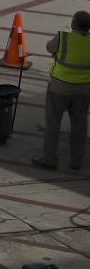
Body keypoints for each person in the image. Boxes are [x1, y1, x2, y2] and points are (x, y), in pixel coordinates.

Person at [35, 10, 90, 171]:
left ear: (73, 24)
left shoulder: (63, 38)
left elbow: (48, 47)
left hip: (59, 88)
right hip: (83, 90)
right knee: (80, 126)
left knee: (53, 123)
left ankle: (49, 159)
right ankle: (76, 162)